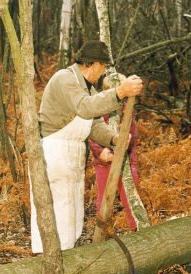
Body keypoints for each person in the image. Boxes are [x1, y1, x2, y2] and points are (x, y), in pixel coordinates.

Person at [30, 40, 143, 253]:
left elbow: (94, 124)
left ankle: (68, 258)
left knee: (71, 213)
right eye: (102, 68)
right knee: (58, 212)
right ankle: (49, 261)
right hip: (54, 154)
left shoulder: (85, 88)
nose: (102, 74)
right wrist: (119, 92)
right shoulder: (65, 79)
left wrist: (114, 139)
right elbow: (85, 108)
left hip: (71, 155)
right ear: (94, 64)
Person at [89, 74, 139, 231]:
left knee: (130, 197)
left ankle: (136, 228)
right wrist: (101, 152)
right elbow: (92, 134)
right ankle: (103, 232)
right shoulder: (98, 110)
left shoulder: (127, 110)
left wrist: (129, 140)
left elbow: (134, 133)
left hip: (127, 162)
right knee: (104, 198)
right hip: (104, 164)